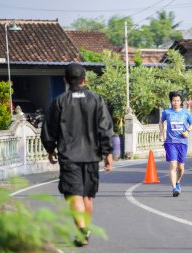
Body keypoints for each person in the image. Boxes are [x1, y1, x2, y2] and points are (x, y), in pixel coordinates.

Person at [41, 63, 114, 247]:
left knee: (74, 194)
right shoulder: (96, 100)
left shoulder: (59, 102)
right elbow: (105, 128)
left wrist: (50, 149)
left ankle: (82, 231)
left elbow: (49, 129)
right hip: (91, 156)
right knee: (87, 196)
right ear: (85, 79)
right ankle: (84, 230)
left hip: (69, 157)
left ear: (65, 80)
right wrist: (108, 152)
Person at [159, 91, 192, 197]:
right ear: (171, 101)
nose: (176, 103)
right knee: (173, 165)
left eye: (178, 100)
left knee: (181, 167)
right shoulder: (167, 112)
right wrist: (161, 134)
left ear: (181, 102)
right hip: (170, 142)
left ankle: (178, 182)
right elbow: (161, 122)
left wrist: (187, 131)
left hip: (182, 142)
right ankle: (174, 188)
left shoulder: (186, 113)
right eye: (174, 100)